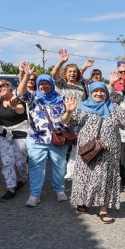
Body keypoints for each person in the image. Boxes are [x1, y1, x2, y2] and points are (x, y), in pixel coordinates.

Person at [62, 82, 125, 223]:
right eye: (95, 91)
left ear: (106, 93)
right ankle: (83, 201)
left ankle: (103, 209)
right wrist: (68, 111)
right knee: (84, 177)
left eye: (102, 91)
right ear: (90, 93)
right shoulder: (81, 107)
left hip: (109, 152)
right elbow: (66, 122)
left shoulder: (114, 108)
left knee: (105, 179)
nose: (99, 93)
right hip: (87, 151)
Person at [16, 63, 69, 207]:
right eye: (41, 84)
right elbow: (20, 93)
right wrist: (26, 77)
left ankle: (59, 190)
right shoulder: (33, 97)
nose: (44, 86)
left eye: (47, 83)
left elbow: (68, 117)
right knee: (36, 167)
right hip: (36, 138)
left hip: (58, 138)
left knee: (59, 166)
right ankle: (35, 194)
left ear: (51, 84)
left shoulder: (61, 98)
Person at [51, 49, 90, 180]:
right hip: (64, 118)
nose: (72, 73)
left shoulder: (82, 86)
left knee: (77, 147)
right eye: (70, 71)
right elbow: (54, 73)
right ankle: (60, 172)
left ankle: (72, 171)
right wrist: (62, 61)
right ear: (66, 73)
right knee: (62, 146)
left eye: (74, 71)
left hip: (80, 120)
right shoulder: (61, 84)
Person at [0, 79, 29, 202]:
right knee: (7, 162)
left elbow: (21, 110)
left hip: (20, 135)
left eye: (1, 86)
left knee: (20, 163)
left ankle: (22, 178)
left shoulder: (19, 99)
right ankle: (11, 188)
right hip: (4, 136)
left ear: (8, 86)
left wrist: (14, 107)